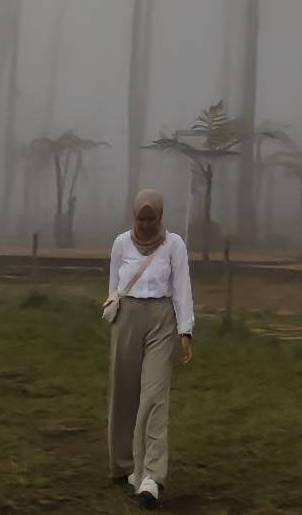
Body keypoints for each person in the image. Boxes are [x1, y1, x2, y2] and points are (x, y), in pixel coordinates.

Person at [106, 189, 194, 510]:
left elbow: (182, 287)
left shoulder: (174, 245)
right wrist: (114, 312)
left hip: (161, 320)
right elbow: (114, 285)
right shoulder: (120, 244)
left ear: (161, 218)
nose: (145, 225)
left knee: (154, 396)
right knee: (124, 392)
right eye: (141, 219)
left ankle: (151, 476)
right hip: (127, 318)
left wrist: (186, 329)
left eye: (151, 219)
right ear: (133, 218)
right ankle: (124, 464)